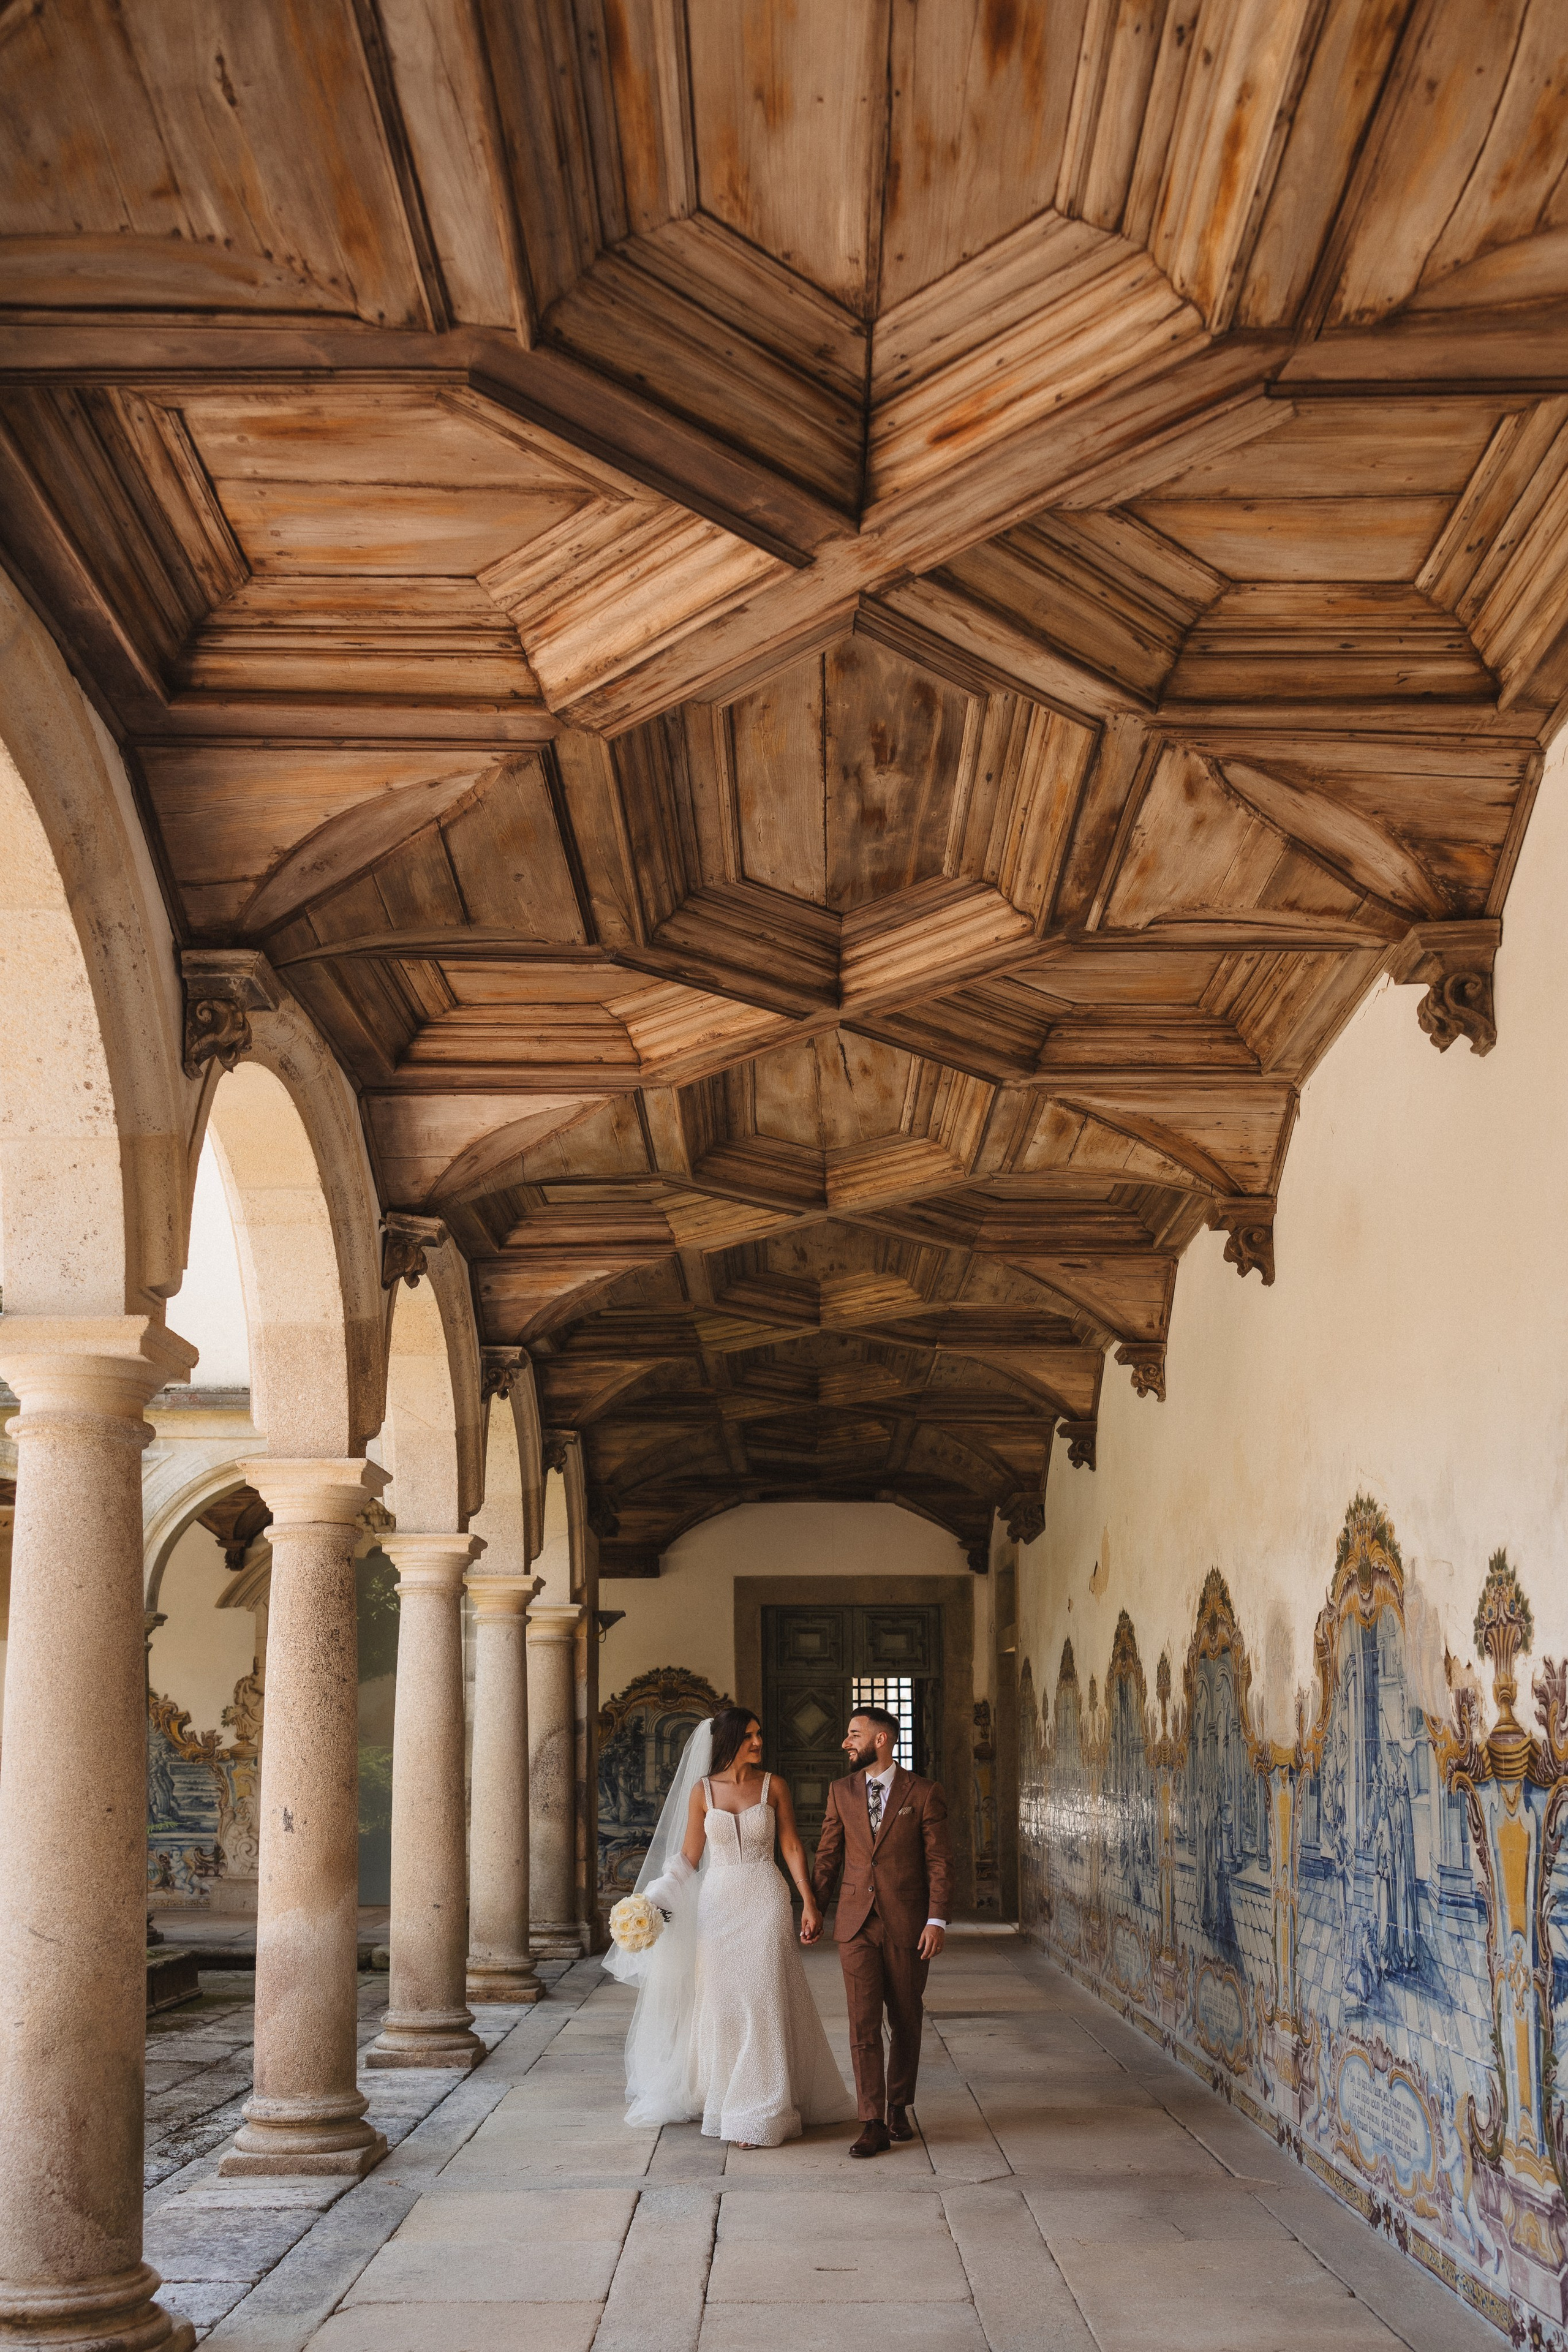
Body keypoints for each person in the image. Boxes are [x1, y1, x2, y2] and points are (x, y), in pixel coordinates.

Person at [605, 1707, 852, 2149]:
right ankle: (726, 2097)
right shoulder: (702, 1791)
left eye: (759, 1734)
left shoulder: (774, 1785)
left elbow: (791, 1845)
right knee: (723, 2004)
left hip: (765, 1898)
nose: (758, 1742)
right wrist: (653, 1901)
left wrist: (810, 1902)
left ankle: (761, 2110)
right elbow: (688, 1857)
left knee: (762, 1998)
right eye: (749, 1736)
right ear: (729, 1740)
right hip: (717, 1906)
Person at [811, 1705, 954, 2158]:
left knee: (906, 2018)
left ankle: (898, 2106)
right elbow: (828, 1855)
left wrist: (936, 1920)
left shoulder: (924, 1792)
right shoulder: (841, 1791)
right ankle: (871, 2121)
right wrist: (814, 1908)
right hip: (856, 1923)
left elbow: (940, 1861)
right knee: (862, 2022)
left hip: (908, 1923)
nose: (845, 1743)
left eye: (854, 1734)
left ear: (881, 1739)